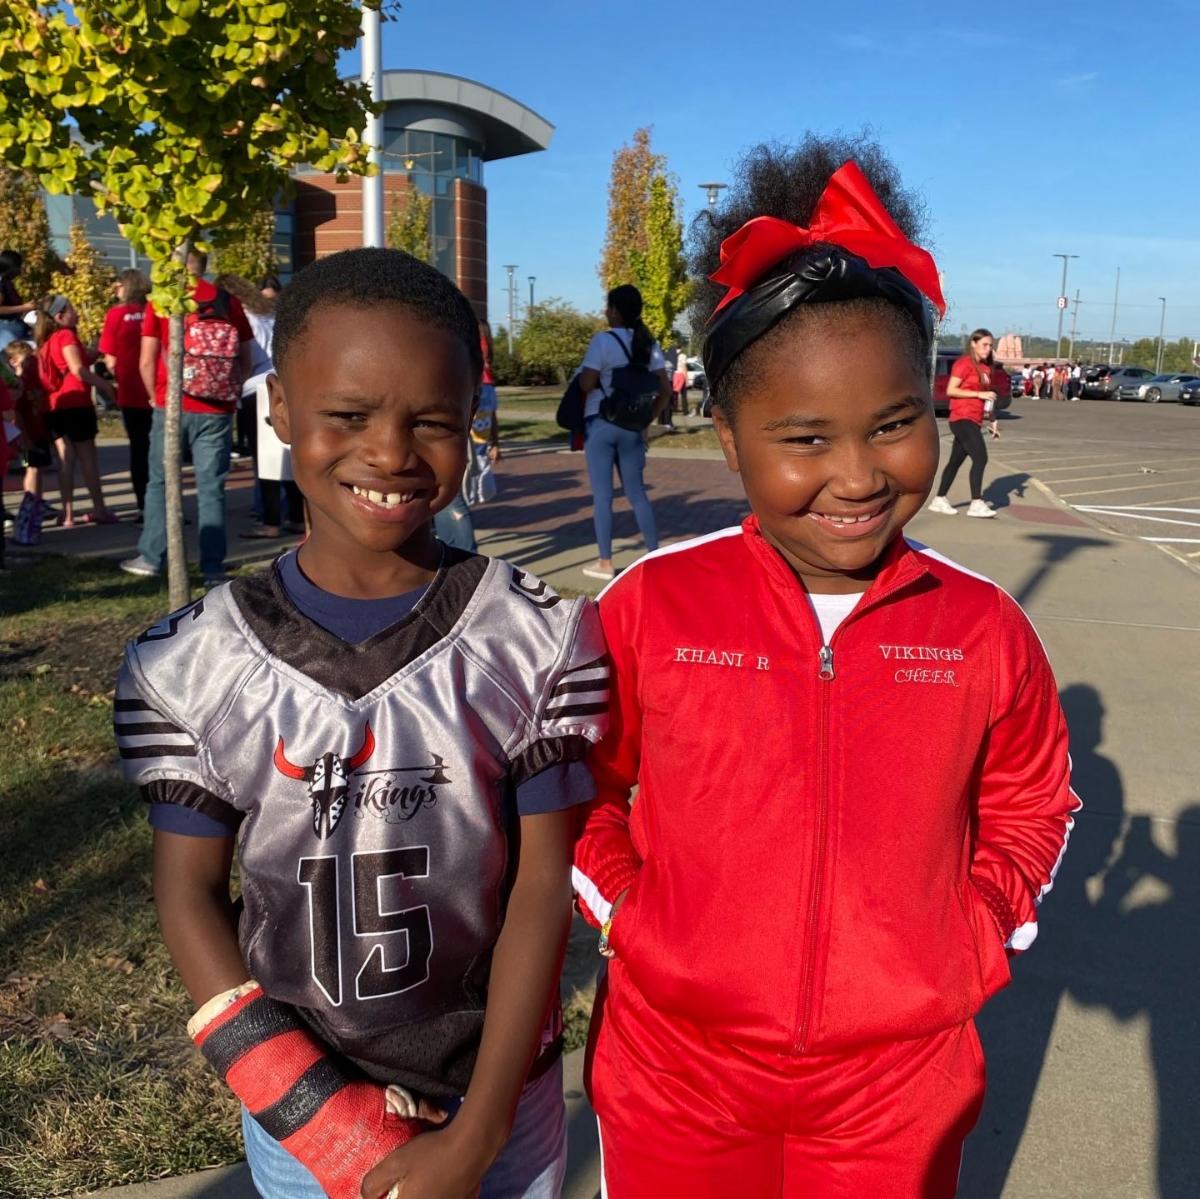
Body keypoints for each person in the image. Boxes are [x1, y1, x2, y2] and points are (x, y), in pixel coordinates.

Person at [572, 140, 1079, 1199]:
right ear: (729, 437)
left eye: (893, 425)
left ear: (932, 404)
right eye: (805, 438)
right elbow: (579, 787)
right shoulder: (652, 607)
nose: (856, 476)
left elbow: (1034, 799)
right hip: (679, 1073)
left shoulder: (981, 627)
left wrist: (975, 931)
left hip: (898, 1088)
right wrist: (632, 917)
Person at [114, 248, 609, 1199]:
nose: (389, 453)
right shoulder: (196, 661)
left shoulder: (531, 636)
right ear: (279, 411)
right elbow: (188, 892)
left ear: (471, 420)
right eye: (347, 415)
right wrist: (322, 1118)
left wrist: (479, 1131)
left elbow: (543, 883)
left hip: (499, 1096)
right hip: (307, 1108)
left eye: (432, 421)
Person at [120, 250, 254, 586]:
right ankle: (212, 567)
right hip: (218, 408)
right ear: (203, 265)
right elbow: (247, 358)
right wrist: (230, 391)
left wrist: (154, 395)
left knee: (161, 482)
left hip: (172, 404)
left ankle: (152, 557)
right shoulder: (227, 301)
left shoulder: (164, 300)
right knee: (211, 488)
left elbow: (146, 359)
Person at [577, 284, 670, 581]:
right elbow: (665, 389)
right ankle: (654, 555)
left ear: (616, 311)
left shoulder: (603, 341)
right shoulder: (648, 344)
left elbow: (586, 383)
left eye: (608, 307)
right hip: (633, 428)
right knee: (637, 494)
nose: (606, 311)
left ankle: (605, 562)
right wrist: (647, 420)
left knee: (603, 496)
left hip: (601, 424)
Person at [34, 296, 118, 527]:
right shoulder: (66, 335)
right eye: (71, 309)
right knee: (87, 457)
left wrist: (98, 349)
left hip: (54, 405)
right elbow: (77, 368)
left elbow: (77, 359)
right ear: (60, 316)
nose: (76, 312)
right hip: (76, 402)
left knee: (65, 458)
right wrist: (106, 386)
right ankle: (99, 509)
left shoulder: (47, 339)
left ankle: (68, 513)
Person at [928, 328, 999, 517]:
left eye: (990, 345)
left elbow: (988, 396)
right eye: (984, 344)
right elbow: (951, 390)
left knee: (955, 461)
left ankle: (939, 499)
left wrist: (992, 419)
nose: (988, 349)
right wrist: (978, 394)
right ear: (973, 344)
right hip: (961, 417)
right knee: (981, 458)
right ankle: (976, 503)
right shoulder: (964, 363)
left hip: (975, 418)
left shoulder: (985, 368)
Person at [100, 269, 153, 520]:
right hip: (158, 390)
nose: (115, 289)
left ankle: (145, 507)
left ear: (127, 286)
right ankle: (167, 507)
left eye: (118, 284)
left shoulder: (116, 314)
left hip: (132, 392)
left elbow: (109, 359)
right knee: (161, 453)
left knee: (139, 450)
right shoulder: (156, 310)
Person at [0, 250, 39, 351]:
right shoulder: (1, 283)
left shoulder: (7, 282)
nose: (20, 269)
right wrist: (24, 307)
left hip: (15, 325)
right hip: (6, 328)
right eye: (18, 266)